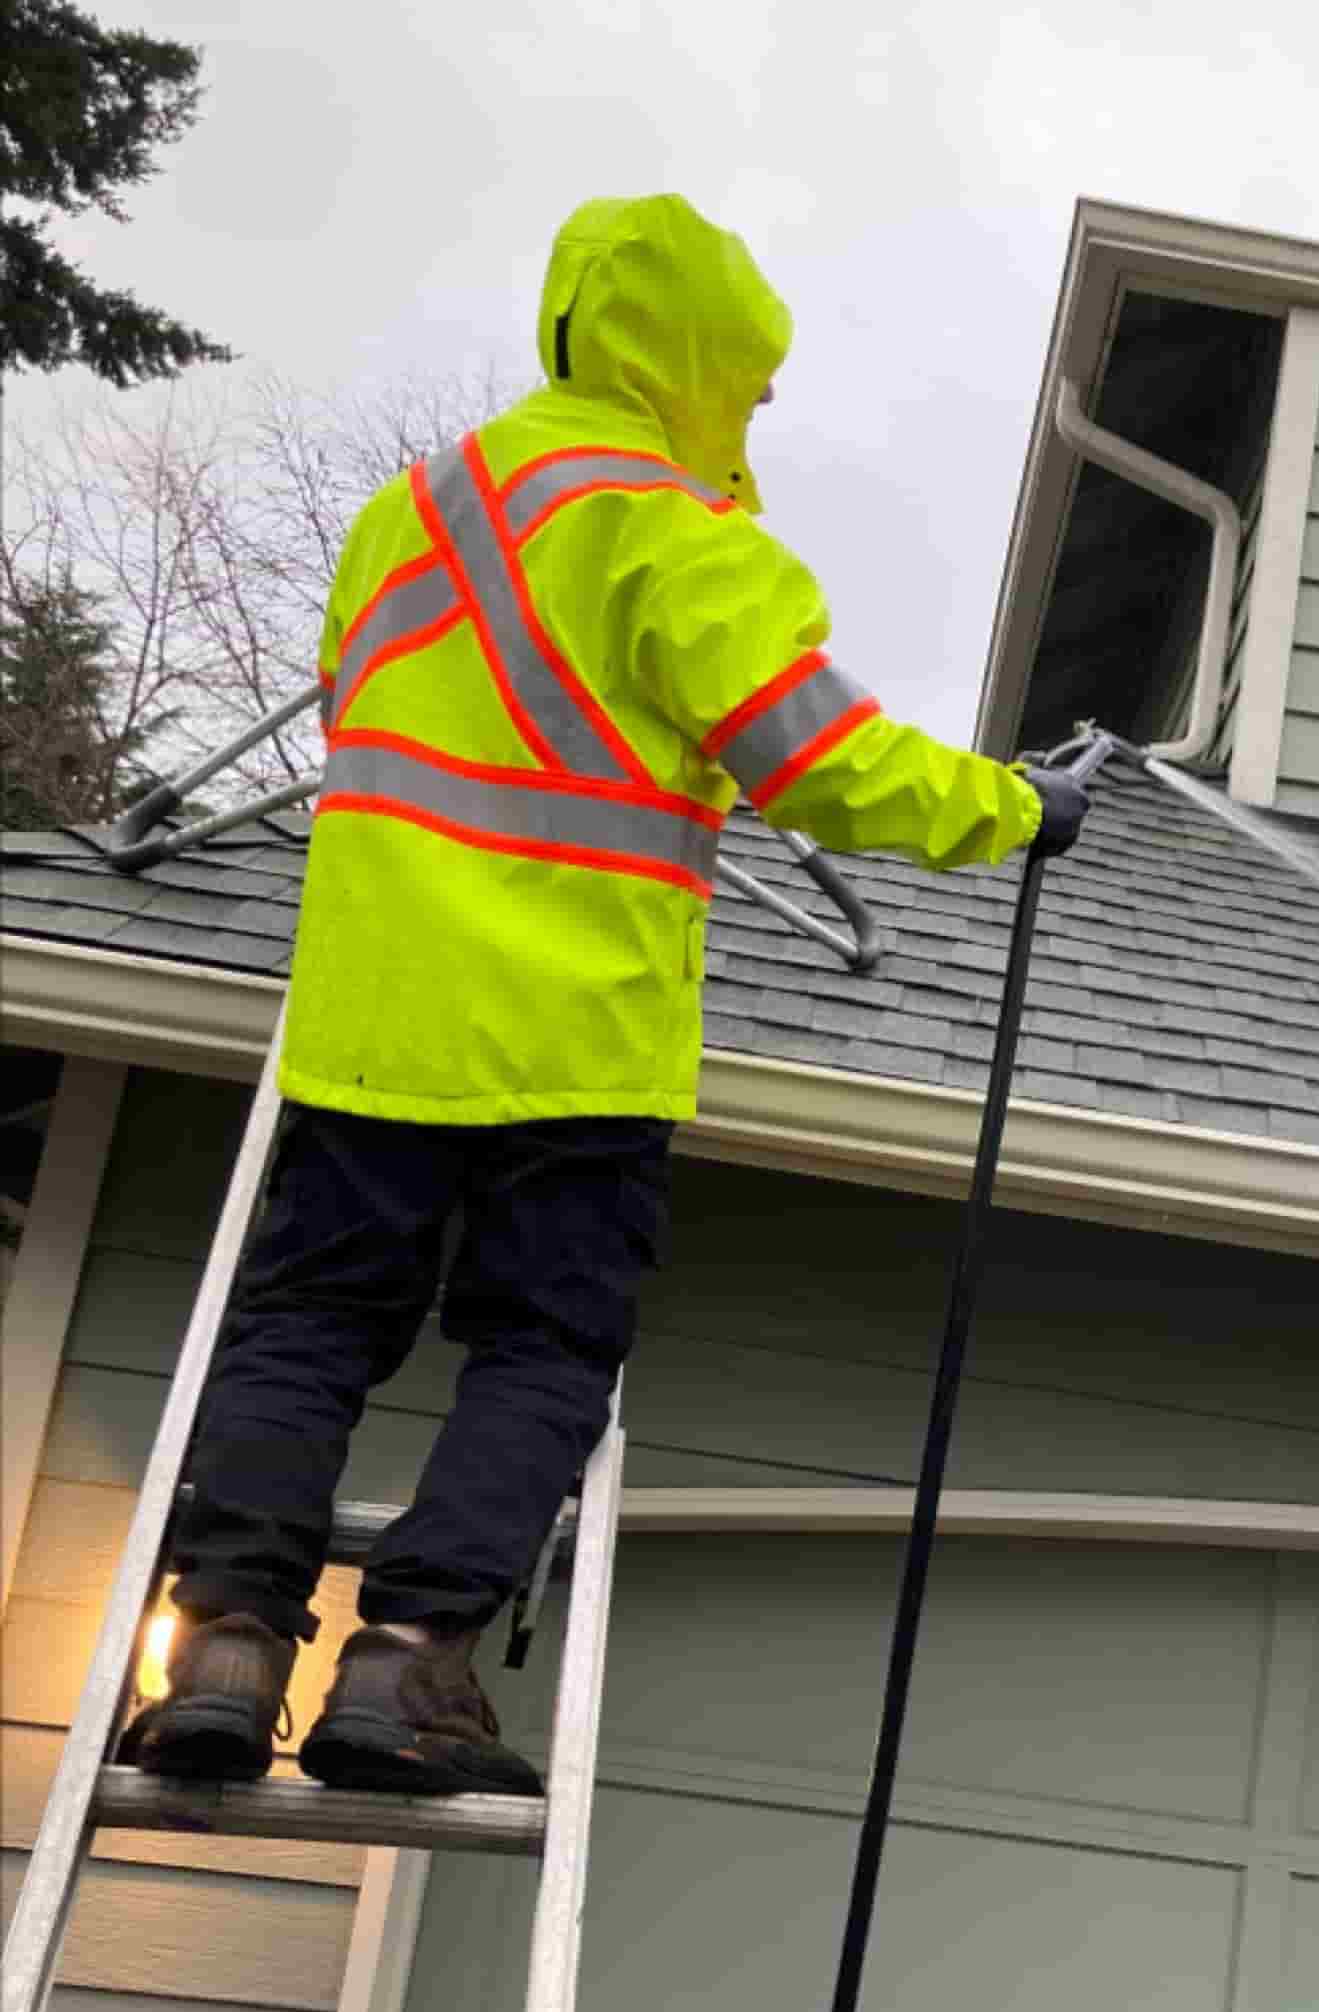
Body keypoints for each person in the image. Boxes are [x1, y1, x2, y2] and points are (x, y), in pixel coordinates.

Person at [120, 193, 1087, 1798]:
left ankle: (224, 1642)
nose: (759, 408)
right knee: (544, 1354)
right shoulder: (678, 539)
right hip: (578, 1042)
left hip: (375, 1023)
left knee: (302, 1332)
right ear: (692, 358)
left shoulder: (404, 515)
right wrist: (1019, 808)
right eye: (752, 378)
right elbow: (819, 761)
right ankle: (411, 1666)